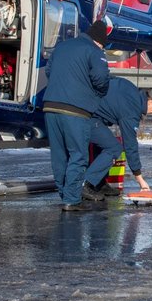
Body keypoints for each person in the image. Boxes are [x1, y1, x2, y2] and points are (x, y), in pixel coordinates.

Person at [43, 20, 111, 211]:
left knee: (58, 155)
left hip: (50, 107)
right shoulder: (95, 51)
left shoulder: (62, 46)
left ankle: (64, 194)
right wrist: (97, 94)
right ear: (99, 41)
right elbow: (101, 79)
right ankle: (72, 200)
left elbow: (49, 71)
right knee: (78, 154)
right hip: (76, 110)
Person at [83, 78, 152, 198]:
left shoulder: (132, 90)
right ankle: (85, 183)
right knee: (114, 148)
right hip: (86, 116)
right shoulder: (132, 109)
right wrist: (140, 179)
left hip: (90, 110)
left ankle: (99, 183)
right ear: (151, 101)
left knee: (103, 143)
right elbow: (130, 145)